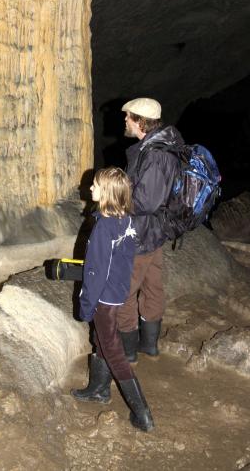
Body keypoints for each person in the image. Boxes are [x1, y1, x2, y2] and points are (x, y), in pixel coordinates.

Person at [71, 167, 154, 433]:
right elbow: (120, 262)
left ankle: (142, 413)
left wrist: (86, 305)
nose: (90, 188)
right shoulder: (125, 220)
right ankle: (98, 389)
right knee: (102, 339)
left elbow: (95, 272)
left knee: (113, 351)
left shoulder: (103, 227)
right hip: (117, 292)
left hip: (104, 298)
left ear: (106, 192)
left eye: (95, 185)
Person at [118, 97, 184, 363]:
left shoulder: (156, 154)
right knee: (152, 286)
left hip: (141, 233)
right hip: (154, 232)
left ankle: (127, 351)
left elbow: (146, 202)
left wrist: (113, 201)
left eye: (128, 116)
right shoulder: (157, 148)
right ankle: (149, 345)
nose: (125, 120)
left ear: (140, 121)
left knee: (122, 290)